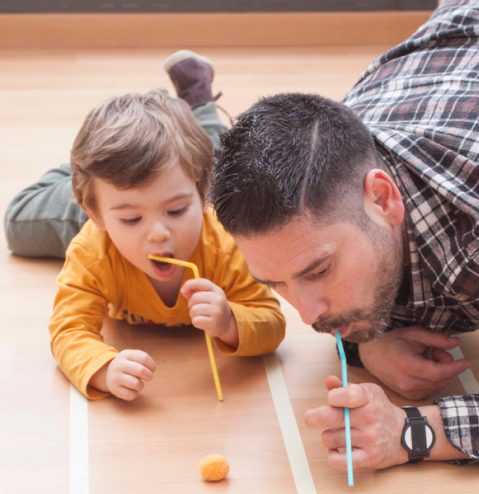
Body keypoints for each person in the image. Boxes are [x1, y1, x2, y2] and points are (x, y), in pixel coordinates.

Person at [210, 0, 479, 470]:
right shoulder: (334, 152)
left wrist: (413, 430)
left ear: (384, 198)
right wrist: (366, 340)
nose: (307, 313)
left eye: (318, 270)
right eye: (277, 284)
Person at [4, 53, 285, 400]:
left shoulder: (224, 242)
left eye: (177, 211)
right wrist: (103, 368)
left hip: (179, 185)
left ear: (202, 197)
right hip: (97, 201)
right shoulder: (92, 250)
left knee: (216, 158)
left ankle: (199, 103)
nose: (158, 233)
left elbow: (271, 322)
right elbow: (69, 329)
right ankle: (88, 168)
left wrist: (230, 322)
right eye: (132, 219)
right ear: (95, 213)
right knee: (17, 222)